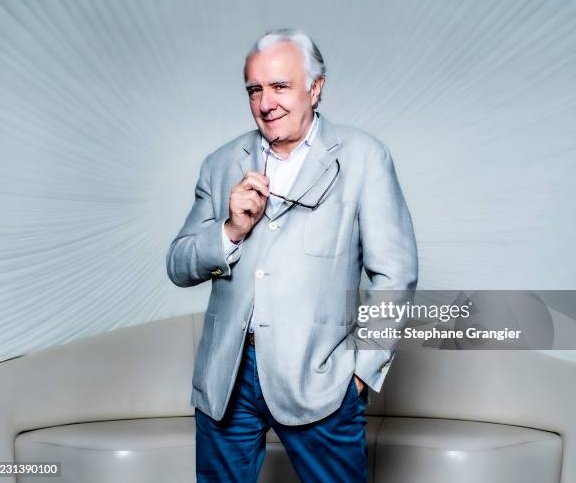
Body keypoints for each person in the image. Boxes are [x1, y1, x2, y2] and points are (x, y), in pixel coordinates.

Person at [166, 28, 418, 483]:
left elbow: (395, 273)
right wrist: (231, 230)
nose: (266, 103)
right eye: (255, 89)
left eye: (280, 86)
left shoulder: (364, 158)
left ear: (315, 88)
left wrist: (360, 373)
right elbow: (179, 264)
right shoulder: (221, 163)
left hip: (320, 377)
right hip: (228, 377)